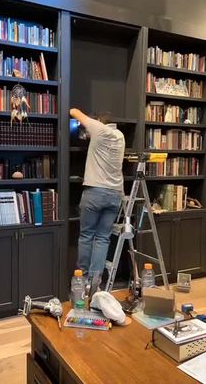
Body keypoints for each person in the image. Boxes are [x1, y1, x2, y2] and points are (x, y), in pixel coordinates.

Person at [69, 108, 125, 286]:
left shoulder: (99, 129)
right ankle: (95, 280)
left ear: (99, 122)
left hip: (95, 192)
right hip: (115, 194)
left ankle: (82, 278)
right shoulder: (120, 136)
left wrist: (90, 122)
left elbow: (73, 111)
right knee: (102, 238)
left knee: (86, 236)